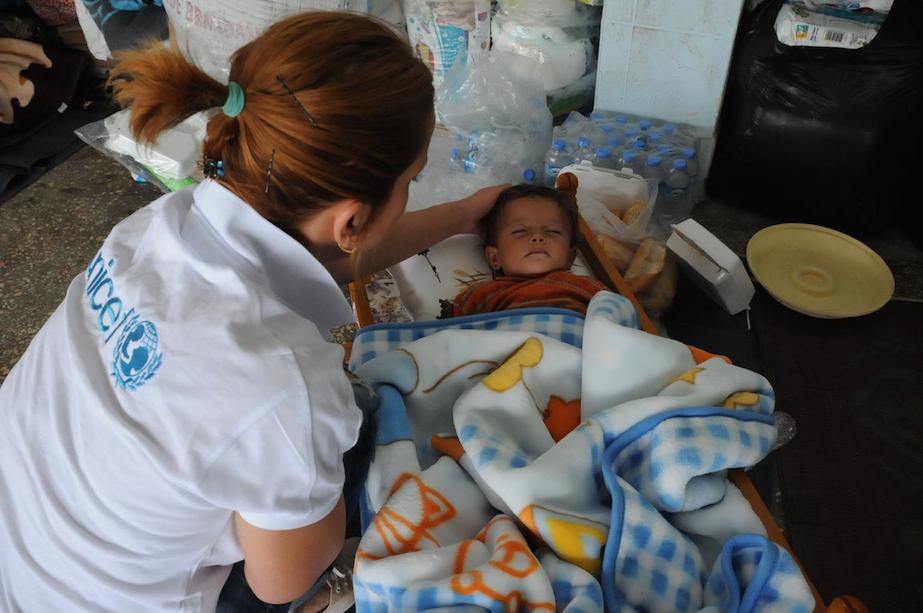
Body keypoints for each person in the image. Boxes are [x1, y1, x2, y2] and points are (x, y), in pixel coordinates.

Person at [0, 12, 505, 612]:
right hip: (115, 601)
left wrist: (463, 213)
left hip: (27, 552)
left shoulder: (159, 228)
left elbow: (325, 258)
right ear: (350, 220)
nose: (414, 193)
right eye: (412, 181)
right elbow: (279, 584)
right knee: (361, 429)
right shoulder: (287, 386)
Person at [452, 184, 608, 317]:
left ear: (570, 256)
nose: (538, 237)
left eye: (553, 231)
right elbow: (451, 338)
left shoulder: (589, 288)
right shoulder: (482, 296)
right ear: (494, 258)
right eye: (520, 231)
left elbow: (620, 320)